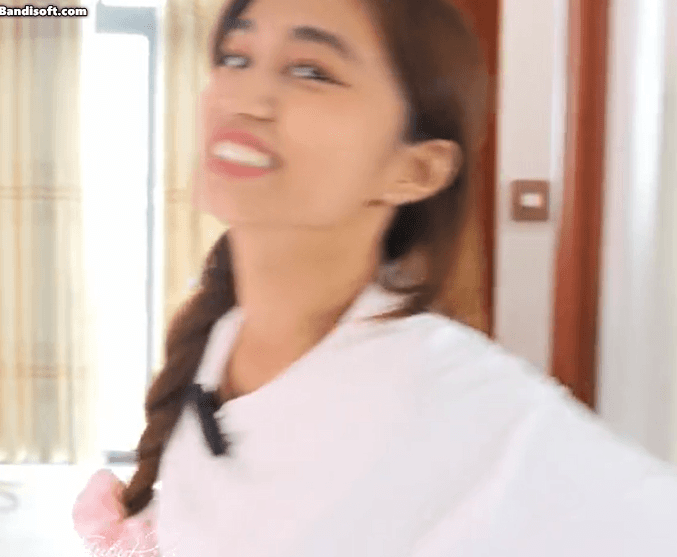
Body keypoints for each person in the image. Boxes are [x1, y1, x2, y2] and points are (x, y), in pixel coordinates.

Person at [72, 0, 677, 555]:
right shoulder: (219, 341)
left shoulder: (465, 405)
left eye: (310, 71)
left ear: (416, 169)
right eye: (236, 58)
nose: (245, 97)